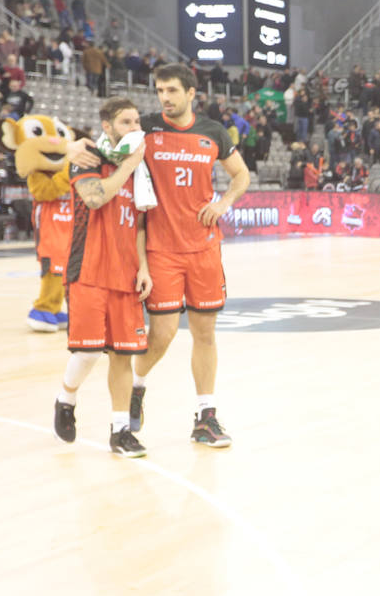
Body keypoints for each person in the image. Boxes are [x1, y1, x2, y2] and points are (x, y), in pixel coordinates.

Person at [127, 64, 250, 446]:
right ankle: (136, 385)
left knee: (205, 334)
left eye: (172, 91)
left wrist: (224, 202)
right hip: (160, 249)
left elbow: (241, 175)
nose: (165, 98)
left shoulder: (212, 132)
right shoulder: (145, 127)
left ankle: (205, 417)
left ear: (191, 93)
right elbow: (107, 139)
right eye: (160, 90)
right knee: (161, 336)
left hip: (203, 249)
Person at [52, 97, 152, 457]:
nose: (135, 128)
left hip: (125, 275)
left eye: (138, 121)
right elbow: (95, 199)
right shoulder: (87, 158)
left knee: (123, 356)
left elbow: (140, 222)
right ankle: (66, 398)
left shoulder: (141, 170)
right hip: (89, 270)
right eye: (126, 122)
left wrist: (143, 266)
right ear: (107, 127)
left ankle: (120, 431)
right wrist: (129, 165)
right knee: (89, 352)